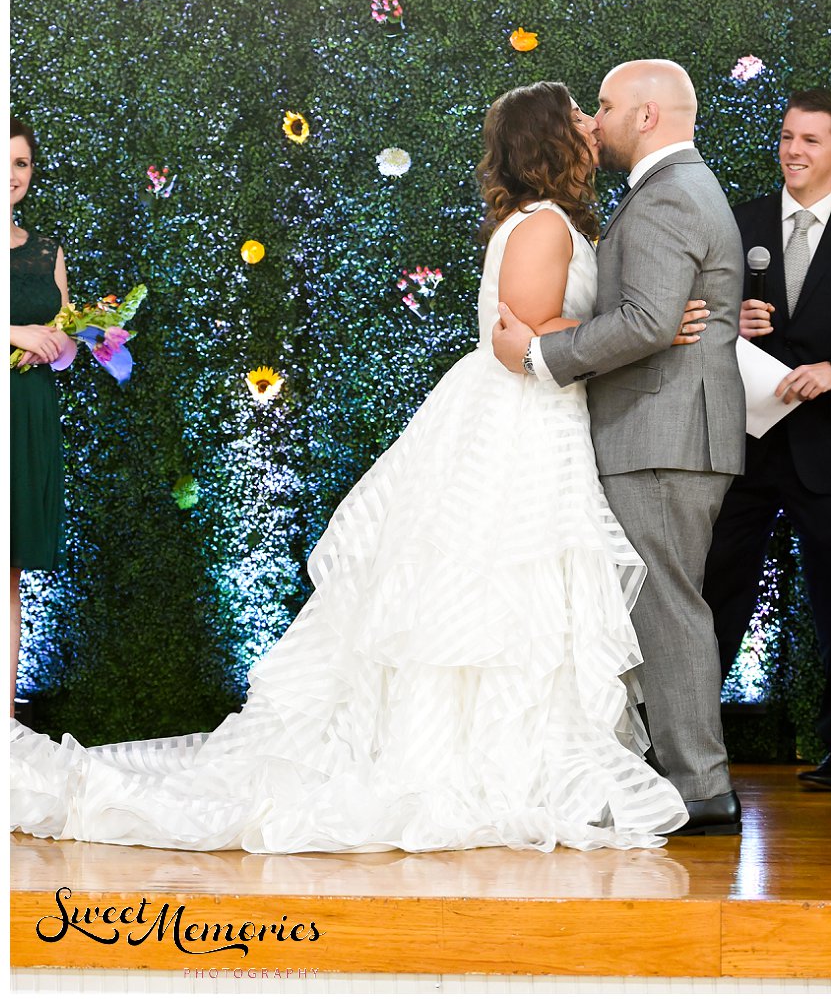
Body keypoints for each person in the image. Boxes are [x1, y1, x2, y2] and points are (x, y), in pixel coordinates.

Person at [12, 82, 707, 852]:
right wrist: (648, 324)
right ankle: (470, 759)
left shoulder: (553, 221)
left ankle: (514, 755)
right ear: (549, 138)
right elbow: (532, 330)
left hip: (541, 421)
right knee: (494, 591)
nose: (589, 122)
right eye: (576, 113)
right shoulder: (542, 226)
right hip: (517, 425)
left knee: (512, 598)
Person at [494, 60, 749, 837]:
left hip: (662, 432)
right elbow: (650, 317)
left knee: (667, 607)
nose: (593, 120)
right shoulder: (670, 189)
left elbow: (645, 321)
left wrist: (540, 356)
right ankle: (683, 773)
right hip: (662, 428)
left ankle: (700, 785)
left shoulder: (670, 193)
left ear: (645, 115)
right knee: (662, 604)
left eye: (602, 105)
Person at [703, 89, 831, 791]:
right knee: (715, 595)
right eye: (787, 136)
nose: (793, 150)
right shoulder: (739, 221)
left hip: (830, 447)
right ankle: (686, 746)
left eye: (811, 140)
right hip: (746, 444)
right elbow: (694, 315)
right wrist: (732, 318)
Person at [10, 116, 77, 718]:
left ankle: (2, 724)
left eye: (22, 163)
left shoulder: (48, 252)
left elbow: (64, 345)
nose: (11, 175)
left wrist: (64, 343)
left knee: (10, 574)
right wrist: (15, 331)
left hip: (29, 410)